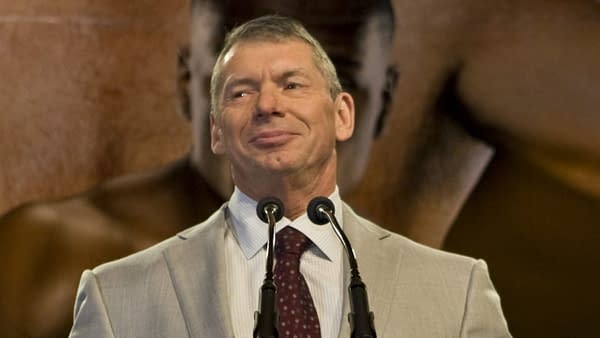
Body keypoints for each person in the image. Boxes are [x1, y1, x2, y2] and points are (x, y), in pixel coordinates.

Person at [68, 15, 510, 337]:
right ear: (217, 132)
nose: (267, 105)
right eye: (241, 92)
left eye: (292, 84)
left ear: (343, 115)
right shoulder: (116, 296)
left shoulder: (457, 291)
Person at [0, 1, 397, 337]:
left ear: (374, 104)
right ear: (190, 87)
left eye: (303, 83)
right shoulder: (54, 255)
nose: (274, 108)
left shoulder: (421, 280)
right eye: (240, 87)